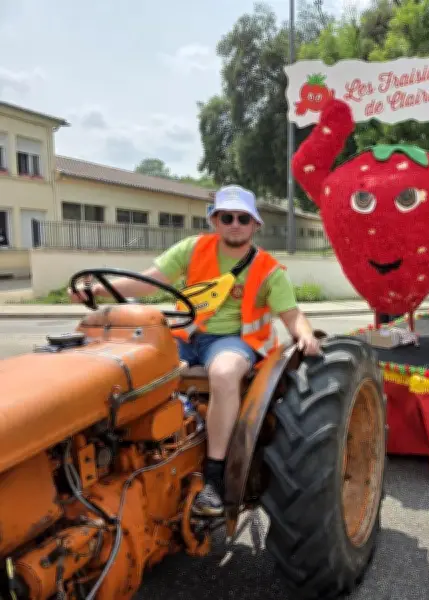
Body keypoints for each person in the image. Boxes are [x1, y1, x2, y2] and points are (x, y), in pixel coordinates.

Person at [69, 184, 322, 516]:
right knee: (127, 366)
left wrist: (305, 334)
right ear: (214, 221)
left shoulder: (268, 270)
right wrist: (99, 290)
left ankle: (214, 475)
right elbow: (150, 280)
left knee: (224, 373)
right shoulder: (193, 248)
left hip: (234, 340)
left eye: (243, 218)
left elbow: (290, 314)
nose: (235, 224)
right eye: (227, 217)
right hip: (186, 335)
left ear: (255, 225)